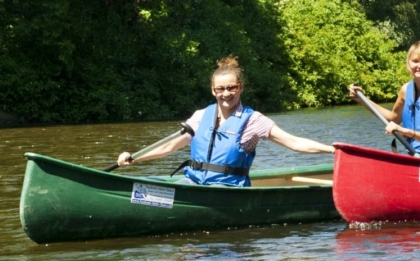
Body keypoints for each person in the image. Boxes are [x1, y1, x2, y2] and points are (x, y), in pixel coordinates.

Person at [113, 56, 334, 186]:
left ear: (241, 88)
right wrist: (135, 158)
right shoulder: (201, 116)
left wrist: (332, 150)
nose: (226, 93)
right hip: (193, 184)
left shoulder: (254, 121)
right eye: (220, 88)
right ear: (213, 90)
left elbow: (294, 143)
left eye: (232, 88)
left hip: (227, 189)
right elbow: (170, 146)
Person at [349, 41, 420, 160]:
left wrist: (405, 131)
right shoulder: (406, 89)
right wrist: (362, 100)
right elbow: (393, 119)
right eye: (416, 61)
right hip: (413, 157)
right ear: (408, 63)